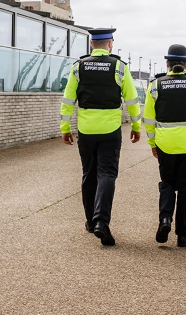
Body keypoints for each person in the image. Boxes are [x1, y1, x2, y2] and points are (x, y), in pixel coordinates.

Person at [60, 28, 141, 246]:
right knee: (107, 174)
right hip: (110, 131)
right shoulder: (119, 67)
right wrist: (136, 125)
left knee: (89, 174)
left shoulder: (79, 67)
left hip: (86, 131)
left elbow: (68, 98)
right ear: (110, 44)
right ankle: (101, 222)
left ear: (91, 45)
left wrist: (65, 127)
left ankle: (89, 220)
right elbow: (132, 100)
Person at [143, 44, 186, 247]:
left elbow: (149, 118)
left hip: (165, 143)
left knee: (167, 183)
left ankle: (165, 220)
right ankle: (183, 235)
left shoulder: (155, 85)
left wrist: (153, 143)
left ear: (167, 63)